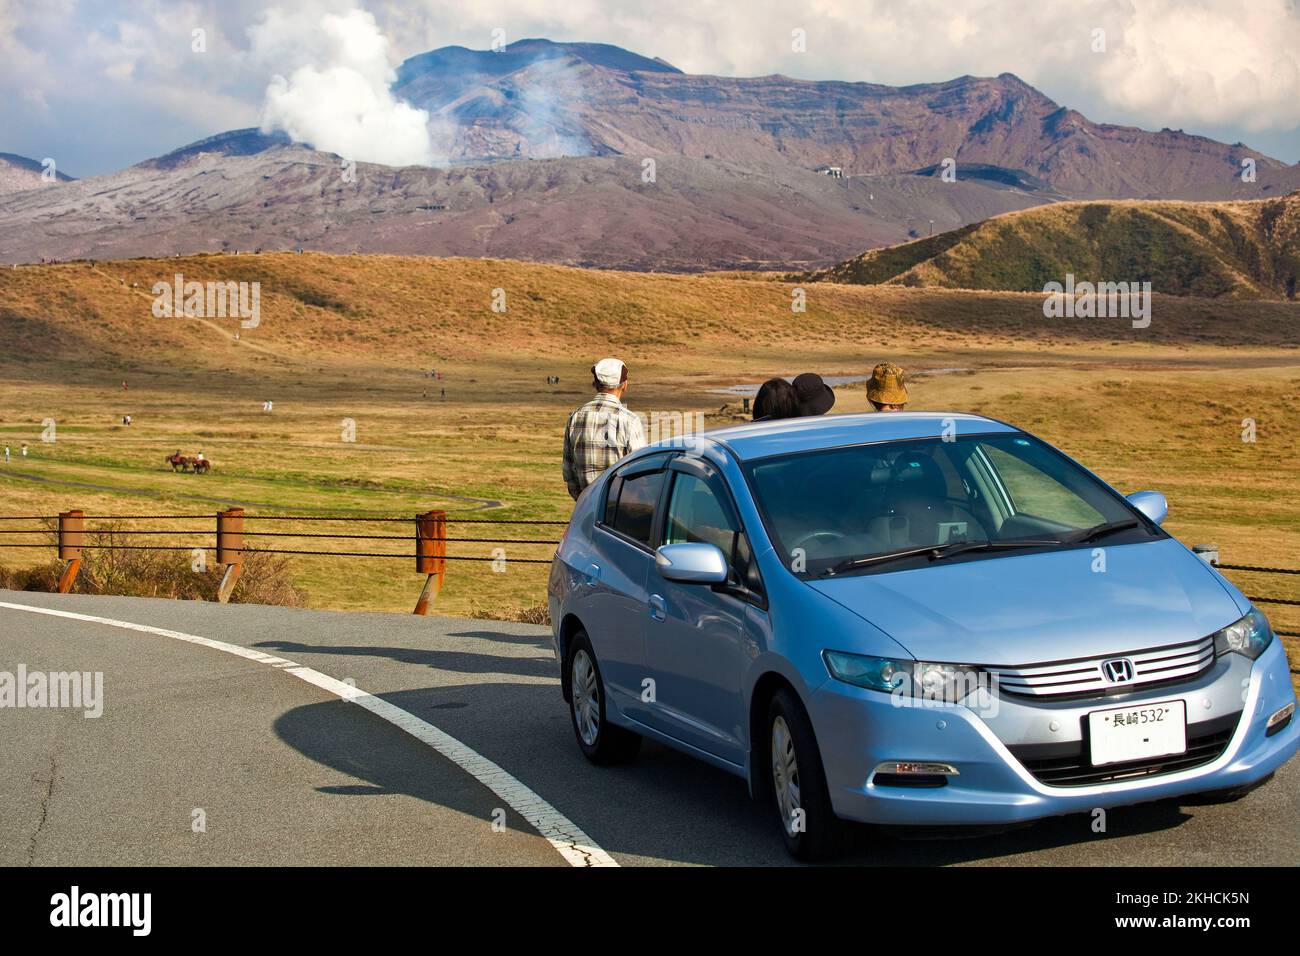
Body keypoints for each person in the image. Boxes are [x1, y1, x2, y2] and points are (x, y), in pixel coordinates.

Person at [562, 357, 646, 501]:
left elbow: (569, 471)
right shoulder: (630, 420)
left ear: (595, 384)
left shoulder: (575, 417)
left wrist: (583, 500)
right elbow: (640, 471)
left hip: (586, 505)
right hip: (620, 507)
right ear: (624, 385)